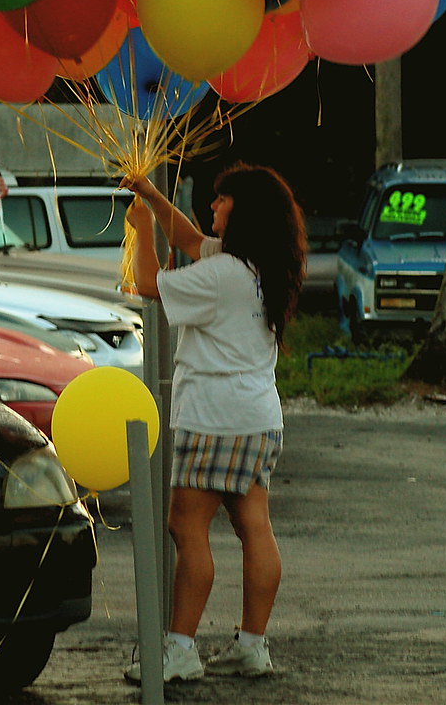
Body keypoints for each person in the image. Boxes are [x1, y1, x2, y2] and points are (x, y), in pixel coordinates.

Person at [121, 162, 306, 685]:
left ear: (243, 210)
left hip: (213, 415)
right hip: (258, 414)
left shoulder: (223, 274)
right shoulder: (256, 264)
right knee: (254, 526)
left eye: (222, 199)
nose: (213, 206)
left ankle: (179, 649)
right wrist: (152, 195)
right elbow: (190, 238)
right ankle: (252, 646)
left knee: (187, 527)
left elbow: (147, 284)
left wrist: (142, 228)